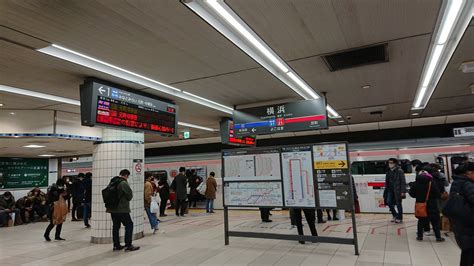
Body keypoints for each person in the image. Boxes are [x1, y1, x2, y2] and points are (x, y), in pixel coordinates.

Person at [408, 165, 445, 242]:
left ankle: (420, 236)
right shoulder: (431, 183)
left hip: (420, 204)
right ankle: (438, 237)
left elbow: (412, 194)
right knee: (434, 221)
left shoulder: (415, 184)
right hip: (432, 204)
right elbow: (437, 194)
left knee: (421, 221)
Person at [107, 169, 139, 251]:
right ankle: (128, 245)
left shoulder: (112, 182)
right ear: (126, 175)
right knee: (129, 225)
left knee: (116, 227)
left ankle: (116, 245)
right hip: (122, 209)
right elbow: (129, 196)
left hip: (112, 209)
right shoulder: (123, 183)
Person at [449, 162, 474, 266]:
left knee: (467, 252)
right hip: (470, 223)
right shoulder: (467, 184)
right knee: (470, 252)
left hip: (461, 222)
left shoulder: (457, 182)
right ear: (470, 173)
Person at [383, 158, 406, 223]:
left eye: (391, 163)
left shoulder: (400, 171)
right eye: (389, 163)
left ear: (395, 163)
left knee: (398, 204)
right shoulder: (388, 171)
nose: (390, 164)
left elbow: (403, 182)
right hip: (390, 190)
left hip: (398, 190)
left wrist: (403, 191)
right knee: (389, 202)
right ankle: (395, 215)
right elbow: (387, 182)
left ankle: (400, 218)